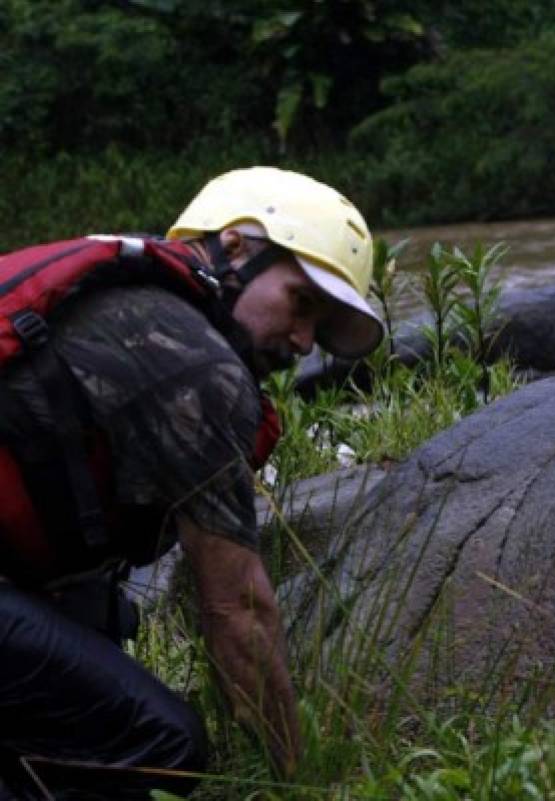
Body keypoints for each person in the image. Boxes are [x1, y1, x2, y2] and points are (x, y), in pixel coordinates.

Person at [0, 167, 384, 799]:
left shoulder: (121, 300)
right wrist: (300, 781)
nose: (305, 341)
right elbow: (239, 612)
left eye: (320, 324)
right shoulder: (195, 366)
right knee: (163, 743)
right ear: (234, 246)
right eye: (302, 302)